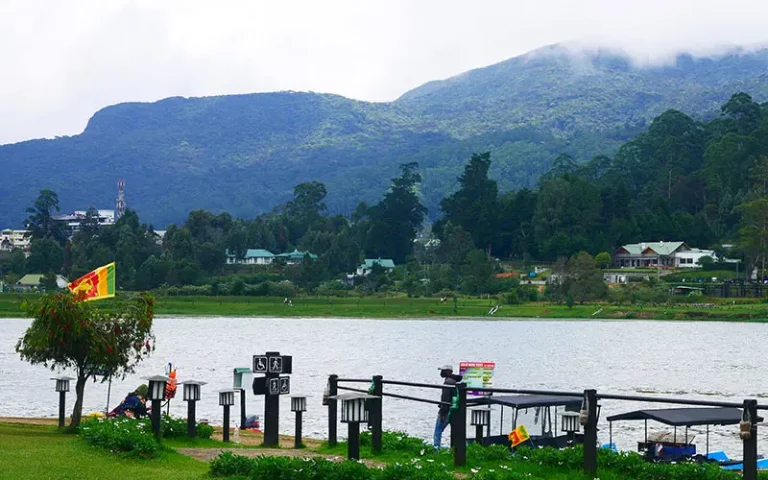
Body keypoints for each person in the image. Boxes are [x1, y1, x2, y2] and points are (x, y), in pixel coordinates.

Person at [434, 364, 462, 449]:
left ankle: (436, 449)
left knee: (438, 431)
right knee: (455, 431)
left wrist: (442, 412)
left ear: (447, 372)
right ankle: (455, 449)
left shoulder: (447, 382)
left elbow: (445, 399)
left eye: (442, 371)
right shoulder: (454, 381)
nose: (441, 373)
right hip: (454, 409)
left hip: (446, 411)